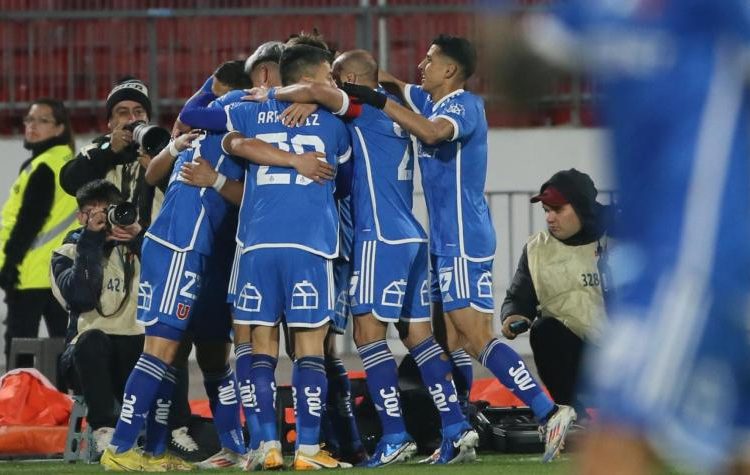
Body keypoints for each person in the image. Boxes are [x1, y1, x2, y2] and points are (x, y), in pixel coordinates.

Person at [491, 1, 750, 473]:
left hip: (697, 249)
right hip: (656, 253)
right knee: (726, 448)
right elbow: (518, 81)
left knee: (615, 444)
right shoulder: (590, 8)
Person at [344, 34, 576, 462]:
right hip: (444, 240)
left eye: (429, 60)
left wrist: (374, 101)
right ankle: (457, 431)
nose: (421, 66)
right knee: (448, 340)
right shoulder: (429, 100)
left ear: (450, 70)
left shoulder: (462, 106)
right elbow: (390, 81)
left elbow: (431, 135)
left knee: (474, 335)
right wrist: (353, 82)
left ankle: (548, 412)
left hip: (464, 238)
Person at [248, 48, 481, 466]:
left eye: (337, 78)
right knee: (418, 339)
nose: (332, 84)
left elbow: (324, 91)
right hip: (411, 236)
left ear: (349, 81)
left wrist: (287, 95)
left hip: (378, 237)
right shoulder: (394, 115)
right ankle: (456, 427)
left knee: (368, 336)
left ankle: (394, 436)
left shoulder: (357, 111)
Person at [100, 100, 330, 473]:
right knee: (161, 350)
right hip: (182, 248)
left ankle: (219, 447)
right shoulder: (227, 133)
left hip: (208, 255)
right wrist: (291, 160)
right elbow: (241, 177)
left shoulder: (212, 132)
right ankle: (123, 447)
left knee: (208, 354)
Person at [223, 44, 353, 470]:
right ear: (312, 78)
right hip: (311, 244)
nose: (332, 84)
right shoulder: (335, 123)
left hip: (258, 243)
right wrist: (299, 160)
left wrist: (268, 102)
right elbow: (344, 180)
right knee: (310, 346)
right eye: (326, 77)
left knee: (262, 347)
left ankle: (267, 445)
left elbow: (220, 133)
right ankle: (310, 451)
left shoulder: (246, 110)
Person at [500, 168, 610, 412]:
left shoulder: (621, 236)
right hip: (576, 355)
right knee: (543, 330)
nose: (549, 218)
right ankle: (571, 411)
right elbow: (519, 298)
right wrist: (514, 315)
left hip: (625, 353)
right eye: (547, 211)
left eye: (558, 210)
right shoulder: (536, 249)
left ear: (582, 208)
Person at [52, 179, 145, 455]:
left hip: (133, 349)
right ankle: (105, 431)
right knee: (93, 340)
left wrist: (140, 237)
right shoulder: (67, 252)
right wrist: (91, 242)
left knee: (161, 345)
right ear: (81, 216)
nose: (103, 219)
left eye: (108, 211)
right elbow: (80, 297)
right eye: (94, 213)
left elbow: (169, 278)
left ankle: (174, 431)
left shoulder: (134, 246)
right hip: (84, 357)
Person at [0, 98, 78, 369]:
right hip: (62, 273)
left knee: (19, 350)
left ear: (58, 128)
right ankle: (67, 408)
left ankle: (19, 409)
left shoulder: (42, 166)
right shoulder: (68, 162)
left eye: (42, 121)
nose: (32, 126)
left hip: (31, 273)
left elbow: (28, 223)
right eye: (29, 120)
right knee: (64, 348)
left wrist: (10, 264)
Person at [60, 77, 158, 227]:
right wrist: (109, 151)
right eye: (123, 112)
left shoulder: (164, 149)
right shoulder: (97, 149)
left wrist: (158, 170)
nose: (132, 119)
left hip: (153, 244)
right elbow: (70, 182)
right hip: (107, 246)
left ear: (147, 118)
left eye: (139, 112)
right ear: (110, 122)